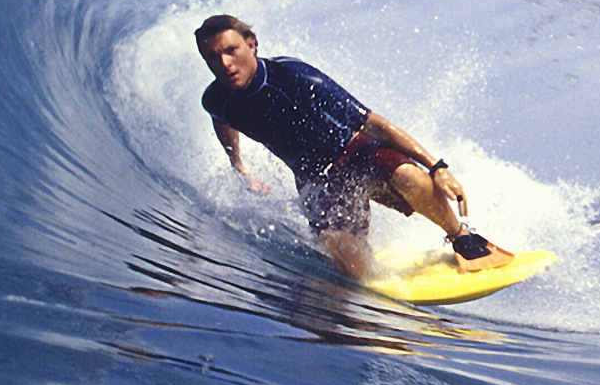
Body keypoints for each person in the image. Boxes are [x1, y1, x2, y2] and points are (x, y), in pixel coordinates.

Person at [195, 14, 510, 278]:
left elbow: (374, 124)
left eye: (231, 50)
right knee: (341, 251)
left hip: (357, 153)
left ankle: (463, 238)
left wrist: (437, 167)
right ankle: (375, 288)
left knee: (407, 177)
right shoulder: (217, 99)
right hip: (316, 182)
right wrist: (240, 167)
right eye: (212, 57)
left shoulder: (297, 78)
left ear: (251, 44)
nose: (224, 63)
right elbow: (221, 120)